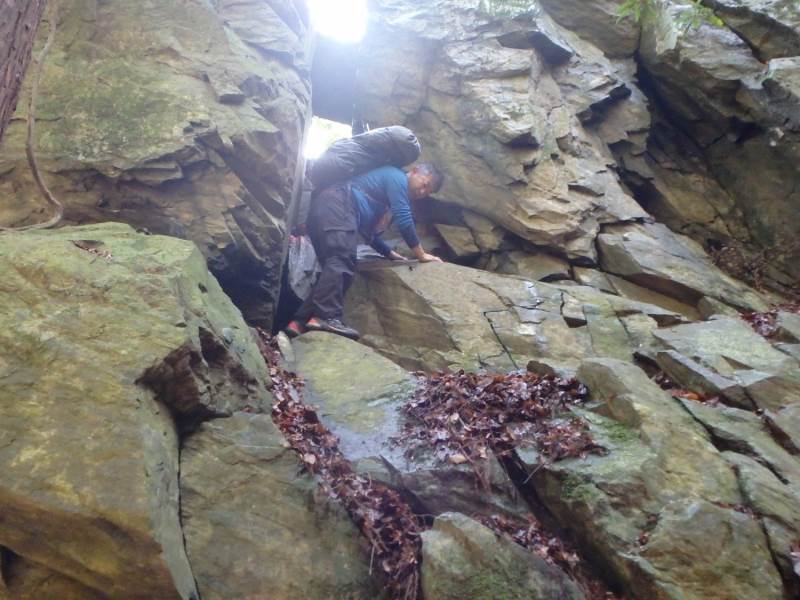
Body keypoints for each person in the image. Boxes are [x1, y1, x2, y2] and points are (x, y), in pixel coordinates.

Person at [286, 163, 445, 340]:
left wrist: (389, 254)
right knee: (342, 260)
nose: (422, 192)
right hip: (338, 204)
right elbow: (404, 219)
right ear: (415, 171)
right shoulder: (397, 178)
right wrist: (421, 254)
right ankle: (326, 317)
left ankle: (299, 322)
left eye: (427, 192)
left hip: (324, 210)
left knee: (337, 271)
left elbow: (368, 233)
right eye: (424, 185)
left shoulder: (381, 198)